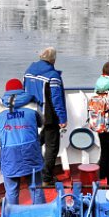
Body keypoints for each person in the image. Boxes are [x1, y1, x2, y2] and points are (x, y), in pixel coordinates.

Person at [0, 79, 45, 205]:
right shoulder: (34, 106)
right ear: (22, 90)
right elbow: (42, 123)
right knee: (36, 187)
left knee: (11, 190)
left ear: (6, 91)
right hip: (31, 150)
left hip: (10, 153)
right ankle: (41, 214)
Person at [24, 47, 68, 187]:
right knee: (52, 146)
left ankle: (31, 170)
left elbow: (25, 91)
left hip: (32, 113)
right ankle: (46, 178)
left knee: (36, 142)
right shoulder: (52, 75)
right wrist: (62, 119)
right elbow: (56, 99)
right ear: (53, 60)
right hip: (48, 115)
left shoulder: (28, 72)